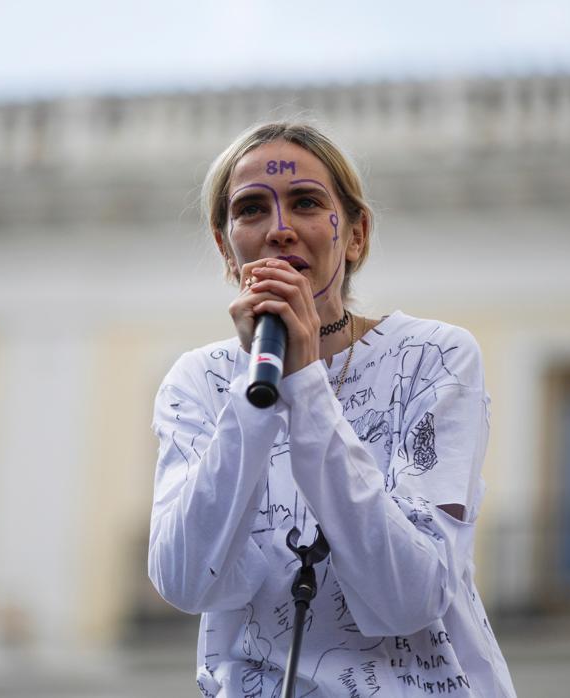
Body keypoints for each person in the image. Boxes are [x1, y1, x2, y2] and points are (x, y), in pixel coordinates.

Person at [148, 121, 516, 697]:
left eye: (307, 203)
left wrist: (304, 379)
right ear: (226, 247)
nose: (280, 230)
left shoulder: (434, 357)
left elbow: (410, 596)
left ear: (356, 234)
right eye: (250, 210)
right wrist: (256, 390)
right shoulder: (197, 381)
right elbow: (186, 580)